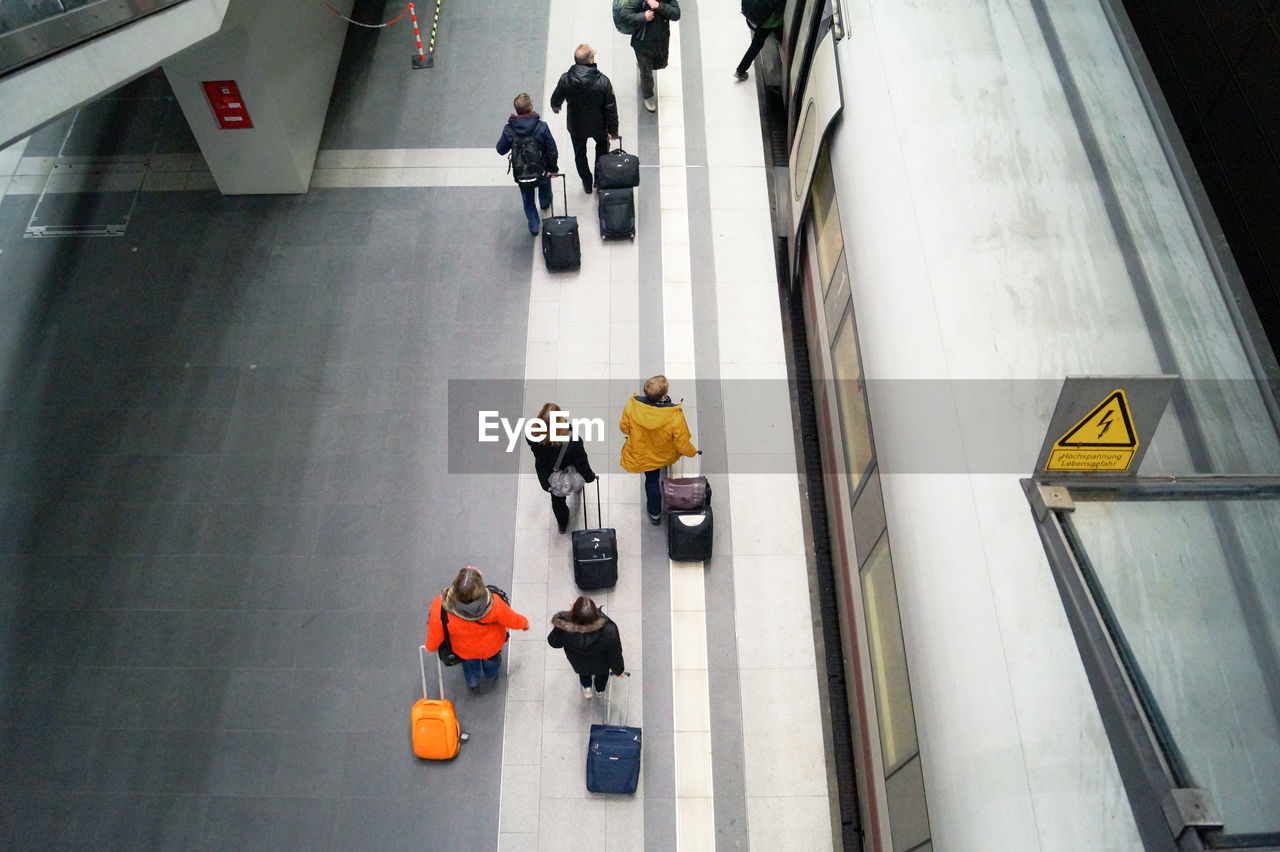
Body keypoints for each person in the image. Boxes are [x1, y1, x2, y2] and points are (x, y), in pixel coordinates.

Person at [425, 566, 529, 690]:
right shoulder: (494, 604)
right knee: (492, 662)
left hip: (464, 650)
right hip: (491, 646)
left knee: (469, 666)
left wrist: (430, 647)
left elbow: (435, 633)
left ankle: (473, 684)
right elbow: (512, 619)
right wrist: (524, 623)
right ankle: (491, 676)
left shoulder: (440, 606)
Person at [618, 374, 697, 524]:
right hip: (664, 452)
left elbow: (624, 427)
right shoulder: (674, 414)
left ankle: (655, 513)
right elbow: (681, 441)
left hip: (643, 453)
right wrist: (691, 452)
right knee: (661, 468)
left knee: (652, 481)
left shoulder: (633, 405)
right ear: (663, 396)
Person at [550, 44, 620, 195]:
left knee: (580, 154)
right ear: (591, 60)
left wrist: (556, 106)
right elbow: (611, 108)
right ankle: (599, 180)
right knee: (602, 148)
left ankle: (587, 183)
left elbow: (556, 98)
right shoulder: (603, 82)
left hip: (576, 126)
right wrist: (613, 131)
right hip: (599, 125)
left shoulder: (566, 79)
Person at [526, 402, 599, 533]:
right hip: (565, 473)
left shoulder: (531, 435)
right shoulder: (572, 440)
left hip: (547, 476)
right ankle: (577, 490)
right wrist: (590, 477)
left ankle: (562, 524)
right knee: (570, 487)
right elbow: (581, 462)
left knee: (557, 500)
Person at [496, 93, 560, 236]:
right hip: (541, 170)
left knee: (527, 198)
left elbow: (500, 149)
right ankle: (544, 204)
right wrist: (553, 169)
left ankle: (534, 226)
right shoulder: (541, 127)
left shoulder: (509, 130)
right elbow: (552, 150)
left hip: (522, 173)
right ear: (531, 107)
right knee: (544, 186)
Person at [547, 596, 626, 698]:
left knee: (583, 673)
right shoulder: (608, 630)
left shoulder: (565, 626)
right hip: (601, 664)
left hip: (578, 662)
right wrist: (618, 671)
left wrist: (570, 615)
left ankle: (587, 689)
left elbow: (554, 643)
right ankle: (599, 690)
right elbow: (615, 653)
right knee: (602, 676)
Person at [618, 0, 681, 113]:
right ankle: (648, 96)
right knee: (647, 74)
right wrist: (643, 16)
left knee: (660, 64)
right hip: (642, 43)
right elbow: (625, 14)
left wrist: (659, 6)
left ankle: (643, 67)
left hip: (660, 40)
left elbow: (676, 14)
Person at [733, 0, 784, 82]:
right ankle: (740, 70)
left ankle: (740, 70)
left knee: (756, 43)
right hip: (769, 20)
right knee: (757, 44)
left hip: (758, 13)